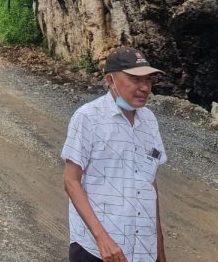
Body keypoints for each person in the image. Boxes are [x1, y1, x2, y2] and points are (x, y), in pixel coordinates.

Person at [62, 46, 167, 262]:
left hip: (142, 251)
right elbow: (71, 181)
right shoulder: (88, 118)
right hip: (97, 250)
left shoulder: (149, 121)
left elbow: (150, 184)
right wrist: (103, 240)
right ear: (111, 81)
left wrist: (159, 250)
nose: (145, 87)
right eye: (135, 79)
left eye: (148, 80)